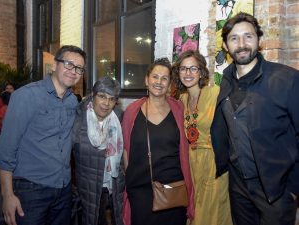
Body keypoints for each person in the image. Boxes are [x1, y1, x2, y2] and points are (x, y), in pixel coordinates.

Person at [211, 12, 299, 225]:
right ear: (225, 45)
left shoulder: (287, 79)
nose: (241, 44)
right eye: (234, 38)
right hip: (238, 185)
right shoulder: (226, 81)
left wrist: (294, 188)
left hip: (276, 189)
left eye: (248, 36)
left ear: (259, 40)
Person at [0, 45, 86, 225]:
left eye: (79, 68)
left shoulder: (72, 101)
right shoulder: (26, 96)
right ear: (54, 65)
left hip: (63, 189)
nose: (74, 71)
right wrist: (7, 195)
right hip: (31, 191)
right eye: (69, 64)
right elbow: (6, 150)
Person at [122, 58, 194, 225]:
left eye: (164, 78)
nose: (159, 82)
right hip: (141, 191)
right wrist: (131, 183)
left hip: (173, 190)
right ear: (147, 80)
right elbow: (126, 150)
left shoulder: (179, 110)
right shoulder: (132, 112)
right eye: (155, 77)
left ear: (169, 84)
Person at [173, 50, 232, 225]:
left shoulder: (215, 93)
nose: (188, 73)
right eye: (183, 69)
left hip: (213, 163)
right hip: (190, 165)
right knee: (194, 210)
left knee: (210, 214)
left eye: (193, 68)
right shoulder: (180, 100)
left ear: (201, 72)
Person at [72, 76, 124, 225]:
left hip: (114, 184)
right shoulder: (78, 118)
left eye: (111, 99)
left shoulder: (120, 118)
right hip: (88, 188)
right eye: (102, 96)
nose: (106, 103)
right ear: (93, 96)